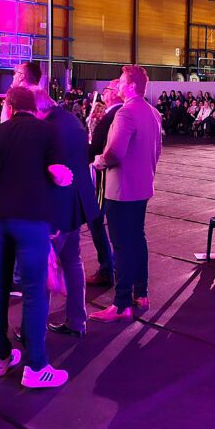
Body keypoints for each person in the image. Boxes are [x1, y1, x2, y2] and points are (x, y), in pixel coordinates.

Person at [0, 86, 73, 389]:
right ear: (34, 108)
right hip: (31, 220)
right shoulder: (47, 131)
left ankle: (0, 357)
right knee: (34, 292)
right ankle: (36, 366)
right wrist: (63, 179)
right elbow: (57, 172)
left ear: (9, 106)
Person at [89, 66, 162, 323]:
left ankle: (121, 304)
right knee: (138, 239)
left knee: (121, 245)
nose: (118, 85)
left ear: (130, 86)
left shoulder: (125, 113)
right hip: (142, 186)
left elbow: (115, 153)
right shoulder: (153, 112)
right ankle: (141, 293)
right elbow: (157, 150)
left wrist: (99, 161)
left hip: (122, 189)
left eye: (121, 81)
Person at [36, 91, 101, 337]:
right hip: (77, 201)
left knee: (43, 266)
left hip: (58, 205)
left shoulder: (49, 128)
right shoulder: (70, 120)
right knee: (73, 261)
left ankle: (35, 328)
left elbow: (50, 169)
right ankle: (77, 320)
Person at [86, 80, 123, 286]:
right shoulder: (120, 114)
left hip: (104, 176)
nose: (103, 92)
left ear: (115, 93)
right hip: (118, 178)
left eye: (107, 89)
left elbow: (96, 149)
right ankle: (114, 266)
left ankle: (107, 267)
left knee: (95, 219)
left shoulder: (112, 116)